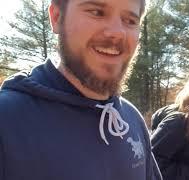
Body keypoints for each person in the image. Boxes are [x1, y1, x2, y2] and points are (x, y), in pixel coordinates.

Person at [0, 0, 162, 180]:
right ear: (56, 17)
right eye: (96, 12)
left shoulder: (131, 119)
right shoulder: (7, 120)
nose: (117, 32)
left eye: (130, 21)